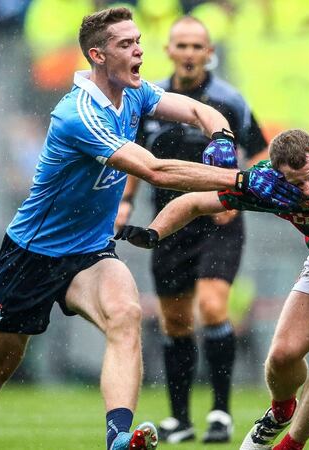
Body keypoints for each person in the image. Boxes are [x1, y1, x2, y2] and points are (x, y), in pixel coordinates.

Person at [0, 7, 299, 450]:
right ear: (97, 54)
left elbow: (194, 108)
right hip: (32, 256)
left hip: (90, 251)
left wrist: (223, 139)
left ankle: (117, 440)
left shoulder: (134, 93)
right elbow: (154, 170)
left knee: (125, 315)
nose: (139, 50)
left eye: (138, 41)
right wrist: (242, 182)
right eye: (126, 44)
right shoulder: (78, 114)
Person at [115, 128, 309, 450]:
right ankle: (281, 411)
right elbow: (194, 203)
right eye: (297, 183)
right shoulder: (264, 186)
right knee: (282, 358)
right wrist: (154, 232)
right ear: (279, 177)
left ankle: (290, 446)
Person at [114, 15, 269, 445]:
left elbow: (260, 153)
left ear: (209, 52)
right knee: (176, 321)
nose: (188, 53)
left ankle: (220, 413)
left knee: (214, 307)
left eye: (196, 46)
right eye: (180, 45)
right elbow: (133, 157)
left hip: (219, 222)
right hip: (168, 224)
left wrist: (238, 196)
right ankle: (180, 419)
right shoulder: (150, 100)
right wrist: (126, 203)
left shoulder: (229, 101)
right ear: (167, 51)